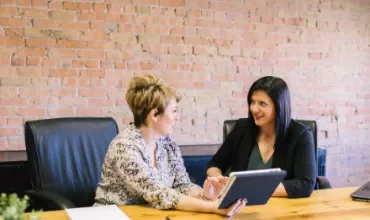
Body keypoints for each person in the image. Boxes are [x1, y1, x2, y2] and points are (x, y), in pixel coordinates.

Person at [94, 75, 247, 216]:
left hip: (151, 215)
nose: (177, 117)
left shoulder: (168, 144)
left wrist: (205, 195)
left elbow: (182, 185)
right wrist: (214, 207)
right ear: (154, 115)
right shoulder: (124, 147)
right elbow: (160, 194)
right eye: (174, 111)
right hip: (112, 215)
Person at [206, 76, 317, 198]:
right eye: (252, 102)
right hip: (240, 207)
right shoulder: (242, 128)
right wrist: (219, 180)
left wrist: (251, 189)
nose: (254, 109)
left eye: (262, 104)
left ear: (279, 107)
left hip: (282, 208)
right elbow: (214, 164)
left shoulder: (300, 134)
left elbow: (305, 184)